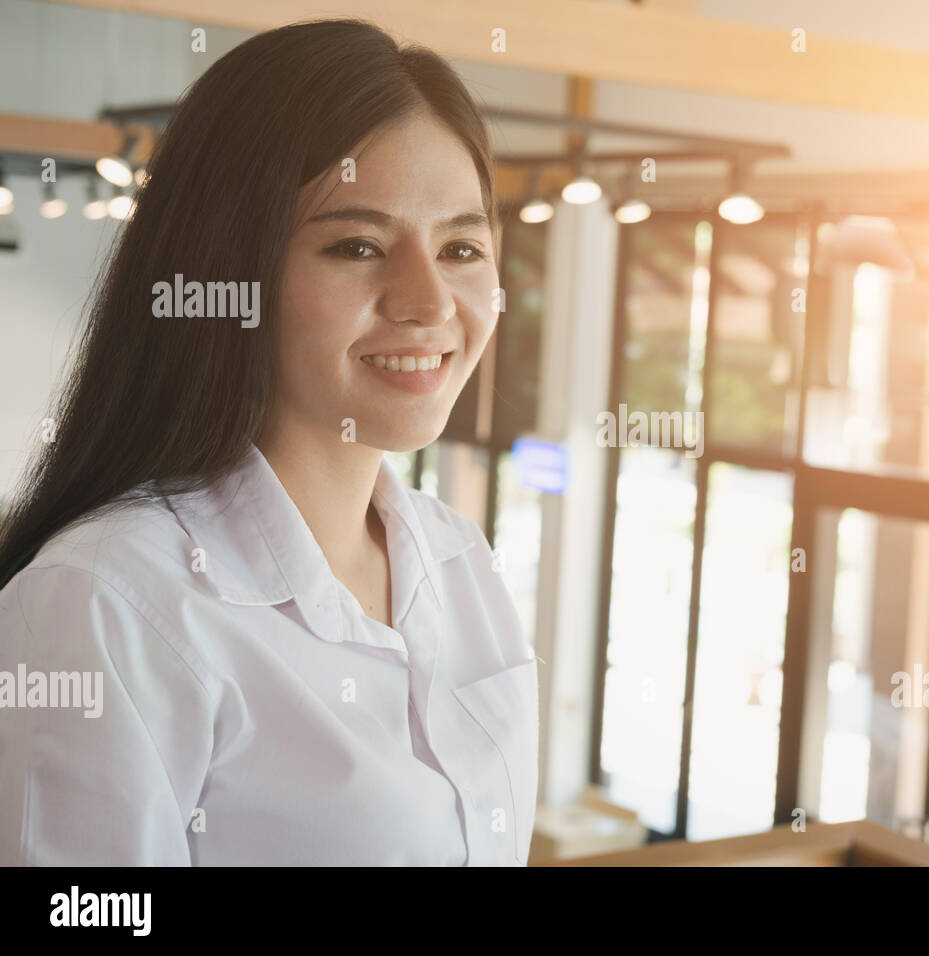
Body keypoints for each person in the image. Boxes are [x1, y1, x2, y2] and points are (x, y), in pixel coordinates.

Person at [0, 18, 538, 866]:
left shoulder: (460, 562)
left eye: (462, 247)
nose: (430, 301)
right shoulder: (106, 604)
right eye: (357, 245)